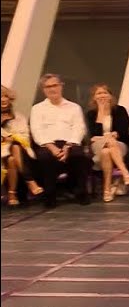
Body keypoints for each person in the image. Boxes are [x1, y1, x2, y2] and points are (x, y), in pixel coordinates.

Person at [30, 73, 91, 207]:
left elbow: (79, 128)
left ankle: (80, 192)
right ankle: (50, 195)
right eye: (48, 87)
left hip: (70, 143)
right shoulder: (37, 109)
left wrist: (67, 146)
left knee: (79, 156)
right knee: (46, 158)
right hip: (47, 144)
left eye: (55, 85)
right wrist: (52, 148)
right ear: (44, 90)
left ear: (61, 86)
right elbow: (37, 131)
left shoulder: (74, 107)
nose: (52, 89)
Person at [85, 83, 129, 202]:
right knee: (107, 143)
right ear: (94, 97)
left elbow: (123, 131)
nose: (102, 96)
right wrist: (101, 111)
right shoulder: (91, 114)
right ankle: (125, 173)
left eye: (105, 93)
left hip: (118, 145)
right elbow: (92, 134)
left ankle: (107, 189)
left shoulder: (120, 110)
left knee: (107, 151)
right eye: (99, 93)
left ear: (110, 95)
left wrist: (111, 136)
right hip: (97, 146)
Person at [2, 84, 44, 205]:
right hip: (2, 152)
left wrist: (12, 138)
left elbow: (25, 136)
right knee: (10, 157)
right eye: (0, 96)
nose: (3, 99)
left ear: (10, 99)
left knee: (14, 149)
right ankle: (29, 181)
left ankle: (12, 193)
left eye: (6, 96)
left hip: (20, 152)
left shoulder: (19, 117)